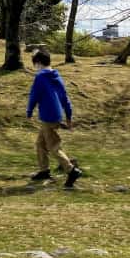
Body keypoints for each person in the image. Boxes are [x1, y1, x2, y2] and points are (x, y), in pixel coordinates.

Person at [26, 49, 82, 188]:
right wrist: (68, 115)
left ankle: (71, 170)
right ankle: (44, 171)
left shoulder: (40, 77)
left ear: (38, 63)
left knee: (53, 147)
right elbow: (65, 98)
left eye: (34, 64)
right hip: (56, 116)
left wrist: (29, 111)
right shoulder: (57, 76)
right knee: (40, 143)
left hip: (47, 116)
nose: (35, 67)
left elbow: (34, 96)